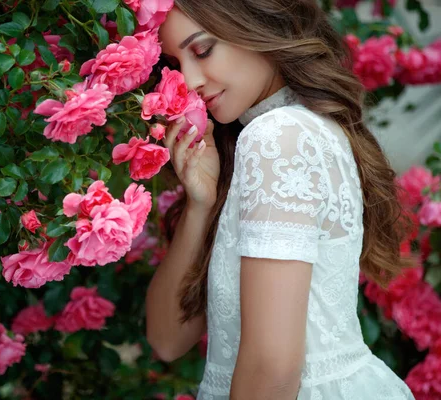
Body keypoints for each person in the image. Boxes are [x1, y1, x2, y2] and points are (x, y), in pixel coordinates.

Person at [145, 1, 417, 399]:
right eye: (174, 63)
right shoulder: (281, 133)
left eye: (202, 50)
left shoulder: (276, 137)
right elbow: (167, 339)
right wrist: (200, 206)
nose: (189, 81)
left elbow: (273, 367)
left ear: (255, 24)